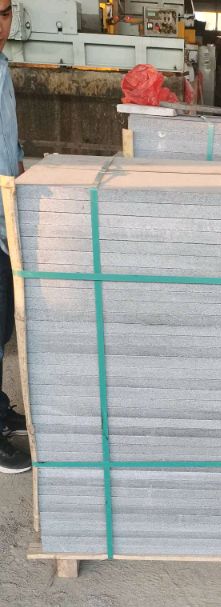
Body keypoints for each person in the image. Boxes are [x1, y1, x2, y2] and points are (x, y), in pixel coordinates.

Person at [0, 0, 31, 473]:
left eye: (4, 13)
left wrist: (23, 173)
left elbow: (8, 139)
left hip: (3, 217)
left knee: (2, 322)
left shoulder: (2, 67)